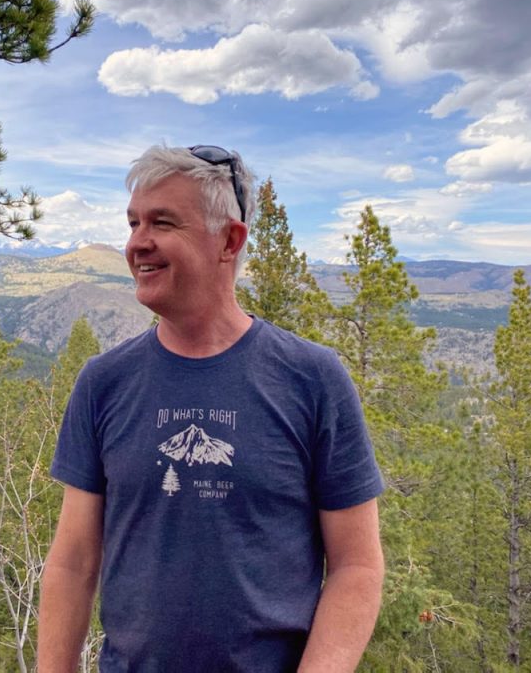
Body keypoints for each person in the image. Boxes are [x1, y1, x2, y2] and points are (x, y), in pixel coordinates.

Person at [37, 145, 385, 672]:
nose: (136, 244)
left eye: (162, 223)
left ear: (229, 240)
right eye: (133, 223)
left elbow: (356, 566)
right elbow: (73, 562)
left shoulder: (312, 379)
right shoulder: (103, 383)